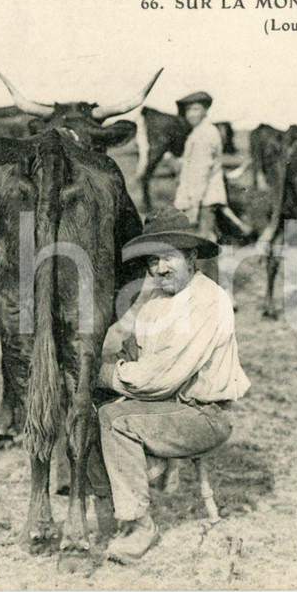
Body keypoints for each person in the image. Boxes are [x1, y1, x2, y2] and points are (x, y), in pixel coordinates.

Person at [89, 206, 251, 564]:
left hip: (203, 416)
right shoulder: (156, 300)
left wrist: (100, 374)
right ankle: (110, 505)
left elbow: (157, 379)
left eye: (169, 259)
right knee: (88, 407)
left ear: (192, 258)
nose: (160, 269)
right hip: (169, 406)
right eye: (152, 262)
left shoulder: (208, 300)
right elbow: (132, 353)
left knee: (116, 420)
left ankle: (139, 524)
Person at [171, 91, 252, 241]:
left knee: (204, 239)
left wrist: (195, 203)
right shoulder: (198, 132)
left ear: (205, 111)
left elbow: (202, 171)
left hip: (203, 197)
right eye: (188, 110)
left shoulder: (205, 134)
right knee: (205, 237)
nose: (190, 114)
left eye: (195, 109)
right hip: (201, 195)